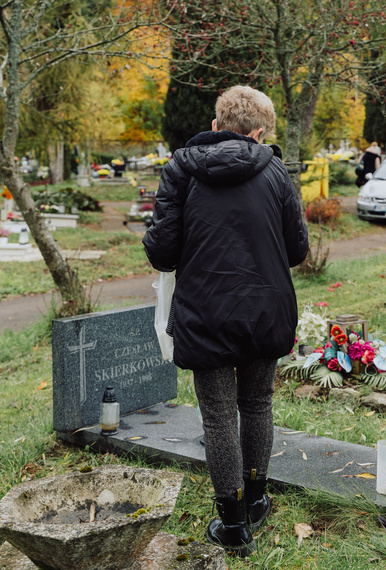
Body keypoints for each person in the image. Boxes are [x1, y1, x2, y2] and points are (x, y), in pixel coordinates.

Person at [143, 85, 309, 557]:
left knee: (218, 416)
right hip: (265, 307)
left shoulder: (181, 169)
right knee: (256, 404)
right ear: (259, 133)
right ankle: (256, 501)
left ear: (216, 125)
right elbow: (298, 249)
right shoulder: (275, 170)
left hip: (206, 308)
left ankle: (234, 526)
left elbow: (161, 251)